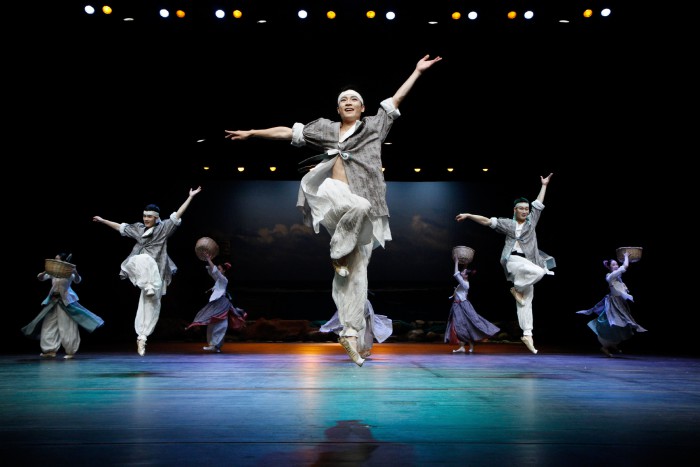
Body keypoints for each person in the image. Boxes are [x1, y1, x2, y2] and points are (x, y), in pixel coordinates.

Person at [225, 54, 442, 366]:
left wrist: (417, 72)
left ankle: (351, 333)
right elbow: (288, 132)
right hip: (332, 199)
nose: (349, 102)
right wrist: (252, 133)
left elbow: (395, 100)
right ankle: (338, 253)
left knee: (356, 275)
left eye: (354, 99)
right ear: (338, 109)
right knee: (358, 208)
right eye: (343, 100)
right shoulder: (325, 129)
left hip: (364, 210)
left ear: (363, 108)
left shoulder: (374, 128)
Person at [92, 186, 202, 356]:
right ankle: (148, 285)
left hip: (158, 273)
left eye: (149, 216)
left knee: (151, 306)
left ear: (156, 217)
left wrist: (190, 197)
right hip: (141, 268)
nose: (146, 219)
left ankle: (142, 337)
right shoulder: (138, 229)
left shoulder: (163, 228)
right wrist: (102, 220)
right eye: (144, 216)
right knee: (143, 258)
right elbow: (121, 227)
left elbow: (178, 214)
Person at [455, 173, 554, 354]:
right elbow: (487, 221)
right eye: (521, 208)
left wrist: (544, 185)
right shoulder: (507, 224)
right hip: (513, 261)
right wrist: (469, 215)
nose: (525, 211)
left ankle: (527, 334)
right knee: (540, 272)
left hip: (529, 263)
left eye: (527, 209)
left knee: (526, 302)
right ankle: (516, 288)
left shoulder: (531, 222)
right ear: (515, 210)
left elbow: (538, 203)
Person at [22, 253, 104, 359]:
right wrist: (45, 271)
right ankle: (50, 350)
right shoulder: (53, 273)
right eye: (55, 259)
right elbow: (40, 278)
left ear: (63, 261)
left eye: (57, 259)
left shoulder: (68, 272)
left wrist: (75, 272)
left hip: (66, 301)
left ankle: (70, 351)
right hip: (53, 301)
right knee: (48, 325)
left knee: (67, 326)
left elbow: (78, 280)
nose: (55, 261)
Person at [576, 251, 647, 357]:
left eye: (616, 264)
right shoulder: (611, 276)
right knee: (613, 324)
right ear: (609, 267)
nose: (616, 266)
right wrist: (626, 257)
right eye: (613, 265)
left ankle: (613, 344)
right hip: (614, 304)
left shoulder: (617, 276)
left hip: (620, 303)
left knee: (622, 325)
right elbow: (625, 266)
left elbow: (623, 269)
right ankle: (604, 347)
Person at [186, 253, 247, 353]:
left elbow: (215, 272)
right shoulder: (218, 280)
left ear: (223, 271)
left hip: (221, 303)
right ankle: (214, 345)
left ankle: (215, 345)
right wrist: (207, 260)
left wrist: (208, 259)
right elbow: (212, 272)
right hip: (216, 303)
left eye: (219, 269)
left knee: (220, 324)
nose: (217, 270)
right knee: (213, 322)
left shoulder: (224, 280)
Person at [445, 258, 500, 353]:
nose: (462, 272)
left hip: (463, 306)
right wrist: (465, 264)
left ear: (466, 276)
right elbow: (461, 273)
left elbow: (456, 274)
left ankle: (471, 344)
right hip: (457, 306)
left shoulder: (465, 284)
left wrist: (456, 262)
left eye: (463, 272)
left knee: (469, 324)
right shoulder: (464, 281)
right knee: (459, 326)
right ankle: (462, 347)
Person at [319, 300, 393, 359]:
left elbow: (369, 313)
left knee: (364, 336)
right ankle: (359, 350)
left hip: (363, 323)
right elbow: (339, 315)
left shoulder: (364, 301)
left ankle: (363, 350)